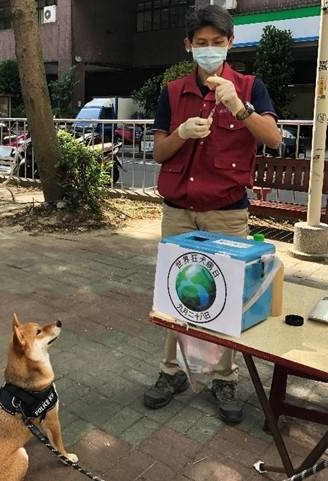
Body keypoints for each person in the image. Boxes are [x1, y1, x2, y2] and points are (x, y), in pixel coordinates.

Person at [143, 5, 281, 424]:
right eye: (200, 44)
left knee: (225, 297)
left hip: (226, 213)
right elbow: (158, 151)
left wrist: (239, 107)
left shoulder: (251, 87)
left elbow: (273, 139)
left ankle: (224, 376)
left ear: (230, 44)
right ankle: (172, 372)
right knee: (174, 294)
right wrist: (182, 134)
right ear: (188, 46)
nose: (208, 50)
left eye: (216, 43)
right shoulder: (172, 92)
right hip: (178, 211)